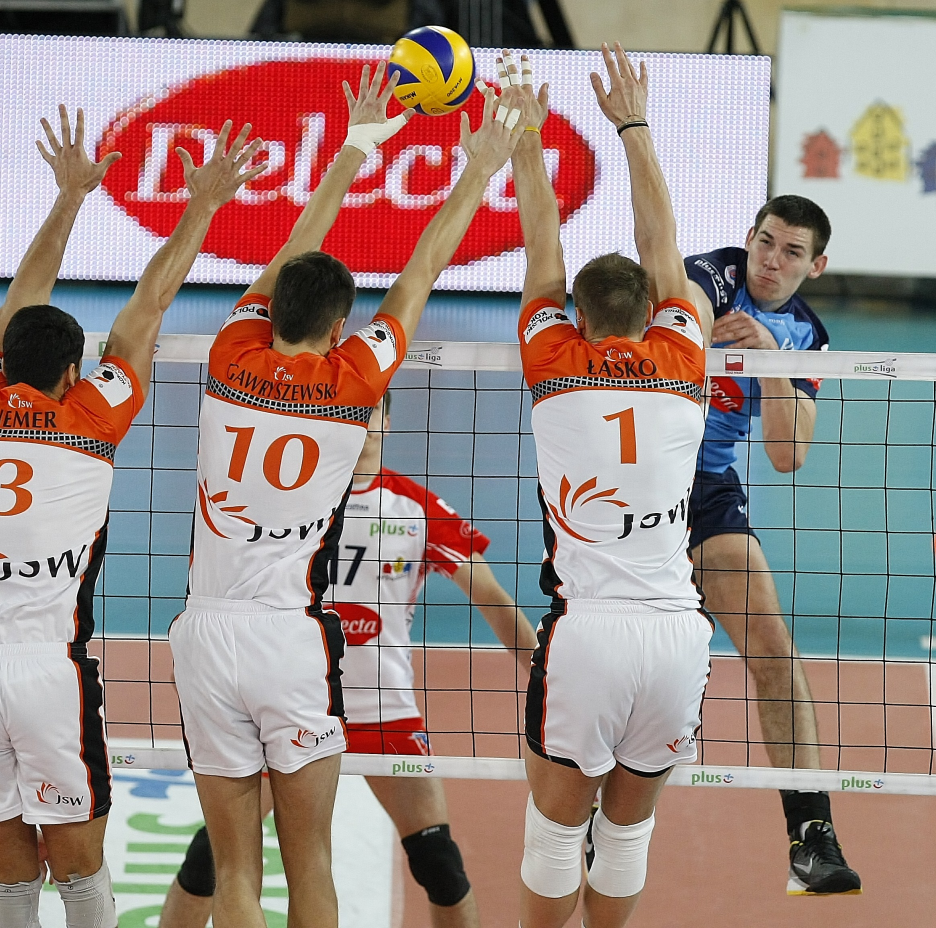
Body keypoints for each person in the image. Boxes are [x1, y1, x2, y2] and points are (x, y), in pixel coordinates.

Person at [169, 65, 526, 928]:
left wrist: (356, 145)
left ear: (266, 310)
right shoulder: (355, 379)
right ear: (339, 328)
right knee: (312, 868)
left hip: (204, 633)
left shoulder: (228, 355)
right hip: (290, 642)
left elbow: (294, 249)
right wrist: (480, 169)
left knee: (234, 872)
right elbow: (423, 268)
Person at [0, 104, 265, 928]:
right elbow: (148, 306)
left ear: (0, 361)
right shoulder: (93, 415)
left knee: (10, 876)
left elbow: (23, 296)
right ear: (74, 374)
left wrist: (70, 197)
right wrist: (204, 204)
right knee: (80, 871)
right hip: (47, 673)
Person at [160, 392, 539, 928]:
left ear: (389, 419)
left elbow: (494, 601)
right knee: (209, 863)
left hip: (384, 710)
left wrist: (544, 676)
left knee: (440, 865)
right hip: (295, 703)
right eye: (352, 411)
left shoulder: (416, 508)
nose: (362, 423)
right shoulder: (293, 499)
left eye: (372, 412)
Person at [507, 46, 714, 928]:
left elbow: (542, 252)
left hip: (588, 632)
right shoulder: (685, 353)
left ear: (580, 319)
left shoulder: (555, 361)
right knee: (628, 834)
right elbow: (662, 247)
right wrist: (633, 126)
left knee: (556, 834)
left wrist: (524, 138)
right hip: (676, 632)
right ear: (654, 311)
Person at [684, 195, 861, 894]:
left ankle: (811, 837)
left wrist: (770, 361)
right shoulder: (715, 274)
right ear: (749, 238)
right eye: (765, 242)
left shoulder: (806, 336)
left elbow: (789, 455)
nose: (771, 261)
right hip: (630, 481)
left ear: (816, 266)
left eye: (791, 252)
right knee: (631, 658)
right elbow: (686, 310)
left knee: (773, 648)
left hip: (706, 489)